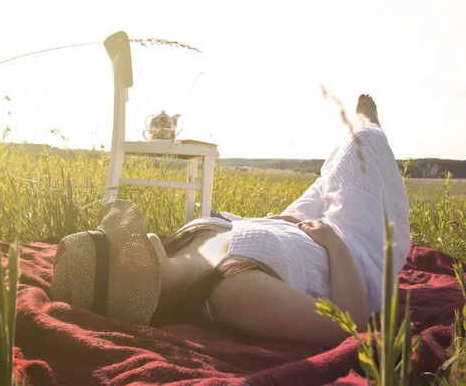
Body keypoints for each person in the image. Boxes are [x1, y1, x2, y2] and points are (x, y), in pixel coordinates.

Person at [51, 94, 410, 347]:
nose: (133, 237)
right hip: (348, 249)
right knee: (362, 144)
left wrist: (276, 223)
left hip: (290, 224)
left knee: (329, 174)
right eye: (122, 247)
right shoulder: (233, 295)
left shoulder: (182, 240)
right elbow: (347, 325)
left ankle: (345, 158)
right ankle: (370, 125)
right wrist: (332, 242)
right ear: (134, 278)